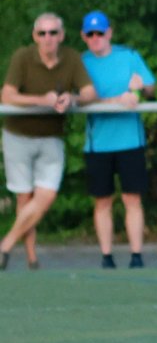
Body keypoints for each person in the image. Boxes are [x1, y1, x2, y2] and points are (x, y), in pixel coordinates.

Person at [1, 13, 96, 270]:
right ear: (35, 36)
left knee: (46, 195)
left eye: (53, 32)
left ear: (61, 35)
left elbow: (89, 92)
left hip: (52, 136)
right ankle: (32, 258)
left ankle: (5, 245)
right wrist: (41, 100)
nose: (48, 38)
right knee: (24, 198)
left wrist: (72, 99)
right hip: (18, 135)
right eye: (42, 33)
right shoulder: (23, 56)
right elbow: (7, 95)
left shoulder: (71, 58)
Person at [79, 10, 157, 269]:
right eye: (90, 34)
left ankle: (136, 256)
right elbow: (79, 98)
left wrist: (141, 87)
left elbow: (151, 88)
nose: (96, 38)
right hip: (98, 144)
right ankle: (106, 257)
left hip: (130, 141)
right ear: (84, 36)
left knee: (132, 199)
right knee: (102, 201)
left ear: (109, 33)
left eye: (100, 33)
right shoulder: (80, 63)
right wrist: (116, 101)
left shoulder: (129, 56)